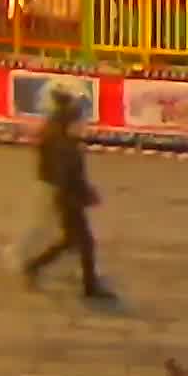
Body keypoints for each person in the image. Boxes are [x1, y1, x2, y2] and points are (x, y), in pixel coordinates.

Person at [19, 93, 112, 300]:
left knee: (71, 241)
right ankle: (90, 287)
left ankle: (34, 266)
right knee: (85, 242)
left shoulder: (63, 141)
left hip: (68, 198)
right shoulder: (63, 146)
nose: (83, 125)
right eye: (80, 122)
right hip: (69, 200)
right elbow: (67, 177)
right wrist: (82, 195)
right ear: (70, 122)